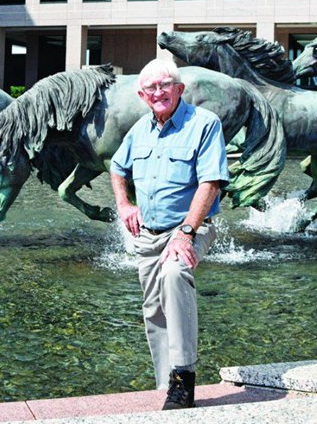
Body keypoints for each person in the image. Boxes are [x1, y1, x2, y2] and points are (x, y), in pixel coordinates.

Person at [110, 58, 229, 410]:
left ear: (179, 89)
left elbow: (211, 182)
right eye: (151, 87)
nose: (158, 92)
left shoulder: (204, 123)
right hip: (148, 234)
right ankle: (166, 386)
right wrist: (124, 204)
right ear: (142, 95)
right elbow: (117, 167)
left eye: (165, 85)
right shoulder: (139, 130)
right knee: (154, 309)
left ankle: (183, 378)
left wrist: (186, 233)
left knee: (175, 274)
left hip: (190, 227)